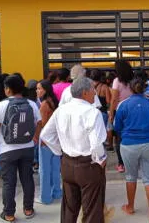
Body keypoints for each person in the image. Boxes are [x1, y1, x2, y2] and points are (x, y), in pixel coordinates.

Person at [40, 77, 108, 223]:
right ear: (84, 92)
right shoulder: (92, 112)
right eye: (92, 90)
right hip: (88, 164)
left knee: (69, 208)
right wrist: (100, 159)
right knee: (92, 209)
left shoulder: (61, 110)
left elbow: (45, 135)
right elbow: (96, 143)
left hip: (67, 163)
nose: (95, 94)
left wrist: (60, 151)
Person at [0, 75, 41, 222]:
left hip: (7, 149)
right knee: (27, 179)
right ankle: (28, 209)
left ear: (8, 89)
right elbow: (39, 122)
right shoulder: (31, 104)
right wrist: (35, 137)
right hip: (27, 148)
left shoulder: (1, 105)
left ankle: (9, 213)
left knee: (8, 182)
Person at [114, 78, 149, 223]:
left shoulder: (123, 104)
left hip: (128, 145)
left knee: (130, 176)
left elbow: (117, 127)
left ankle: (130, 206)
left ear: (131, 89)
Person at [34, 80, 62, 205]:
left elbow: (43, 125)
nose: (37, 91)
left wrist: (38, 137)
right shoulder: (54, 102)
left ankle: (45, 197)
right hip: (56, 140)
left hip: (46, 141)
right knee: (55, 168)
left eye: (39, 88)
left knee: (44, 170)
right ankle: (57, 192)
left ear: (45, 90)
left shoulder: (45, 104)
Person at [110, 60, 134, 173]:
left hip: (120, 112)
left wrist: (111, 114)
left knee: (119, 138)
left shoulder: (116, 81)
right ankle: (132, 162)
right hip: (133, 111)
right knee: (132, 135)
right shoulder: (133, 81)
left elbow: (114, 99)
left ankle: (121, 164)